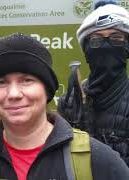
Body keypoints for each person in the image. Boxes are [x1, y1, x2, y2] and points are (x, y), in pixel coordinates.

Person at [0, 33, 129, 180]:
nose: (13, 94)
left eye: (27, 80)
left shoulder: (98, 160)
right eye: (1, 82)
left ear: (47, 90)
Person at [57, 0, 129, 165]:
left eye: (116, 38)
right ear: (86, 50)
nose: (106, 45)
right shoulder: (69, 101)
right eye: (96, 39)